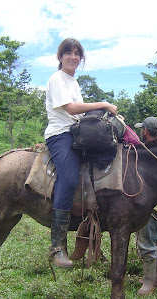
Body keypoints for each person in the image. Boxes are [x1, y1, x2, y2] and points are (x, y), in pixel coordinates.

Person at [44, 38, 117, 268]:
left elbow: (82, 115)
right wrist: (103, 104)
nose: (74, 57)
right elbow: (71, 109)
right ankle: (57, 247)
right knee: (68, 178)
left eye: (77, 54)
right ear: (60, 57)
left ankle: (94, 237)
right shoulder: (57, 79)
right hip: (60, 135)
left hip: (76, 133)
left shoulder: (73, 82)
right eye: (69, 53)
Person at [134, 117, 157, 296]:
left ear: (145, 131)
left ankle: (149, 283)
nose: (141, 132)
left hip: (154, 205)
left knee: (147, 242)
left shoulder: (153, 152)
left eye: (142, 130)